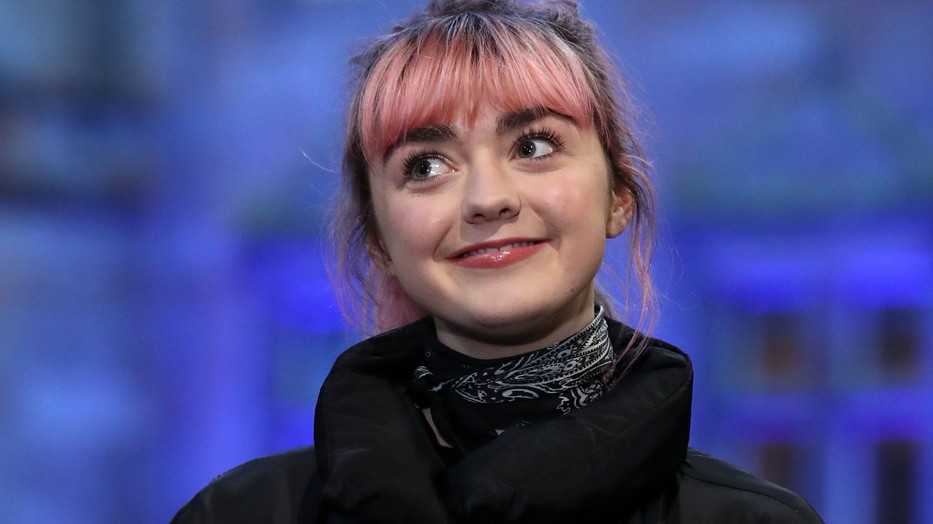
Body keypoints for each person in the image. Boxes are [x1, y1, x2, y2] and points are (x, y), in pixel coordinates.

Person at [172, 1, 824, 522]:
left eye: (534, 145)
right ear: (378, 239)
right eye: (426, 166)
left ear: (618, 195)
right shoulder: (240, 514)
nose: (487, 199)